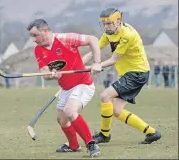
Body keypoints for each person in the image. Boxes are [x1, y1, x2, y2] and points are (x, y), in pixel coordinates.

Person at [82, 8, 161, 145]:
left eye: (109, 23)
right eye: (104, 24)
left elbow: (113, 59)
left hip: (137, 73)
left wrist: (96, 65)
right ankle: (152, 133)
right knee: (116, 111)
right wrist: (78, 64)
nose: (106, 27)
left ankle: (104, 135)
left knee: (105, 96)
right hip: (129, 73)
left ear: (118, 21)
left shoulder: (127, 35)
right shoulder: (109, 32)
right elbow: (95, 49)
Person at [27, 19, 102, 157]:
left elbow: (92, 39)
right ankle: (74, 145)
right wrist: (51, 76)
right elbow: (44, 72)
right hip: (66, 88)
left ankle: (91, 144)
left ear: (44, 31)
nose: (33, 39)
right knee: (62, 120)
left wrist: (97, 62)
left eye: (35, 35)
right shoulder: (38, 50)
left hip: (83, 83)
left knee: (69, 111)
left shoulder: (65, 39)